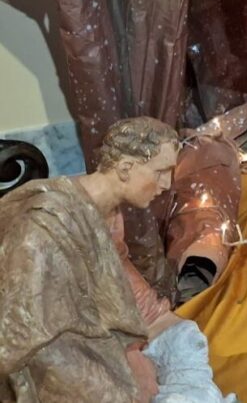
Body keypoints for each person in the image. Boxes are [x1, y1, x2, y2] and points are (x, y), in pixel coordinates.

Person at [0, 117, 179, 402]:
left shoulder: (109, 214)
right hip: (40, 353)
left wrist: (150, 330)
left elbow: (120, 285)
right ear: (125, 168)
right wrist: (121, 373)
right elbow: (25, 334)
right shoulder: (45, 225)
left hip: (82, 337)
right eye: (160, 172)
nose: (167, 184)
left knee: (175, 349)